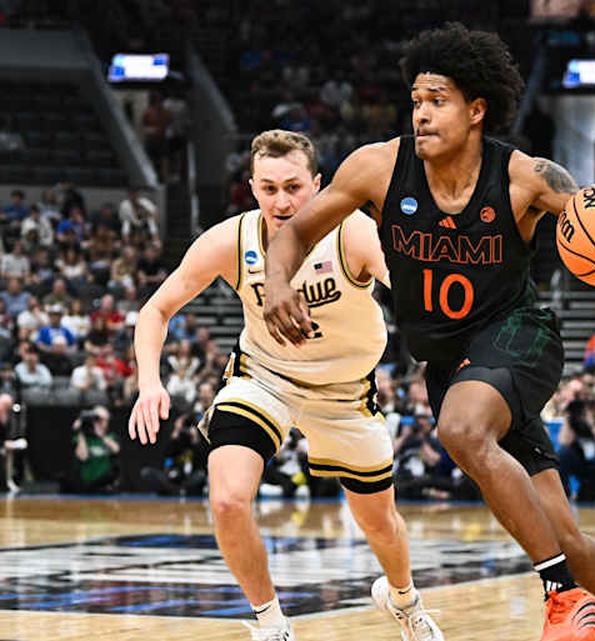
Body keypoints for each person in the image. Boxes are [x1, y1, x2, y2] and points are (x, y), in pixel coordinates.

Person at [262, 23, 595, 641]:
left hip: (518, 337)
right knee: (563, 537)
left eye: (437, 100)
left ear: (476, 109)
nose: (421, 113)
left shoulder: (525, 177)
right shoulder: (377, 168)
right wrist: (278, 282)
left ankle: (560, 600)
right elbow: (296, 232)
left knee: (461, 429)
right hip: (454, 367)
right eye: (416, 100)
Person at [127, 130, 443, 641]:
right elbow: (155, 310)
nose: (282, 200)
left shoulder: (352, 233)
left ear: (318, 185)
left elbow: (416, 293)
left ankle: (404, 600)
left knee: (380, 522)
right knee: (228, 499)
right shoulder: (231, 239)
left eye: (294, 187)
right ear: (252, 188)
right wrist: (148, 381)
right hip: (264, 377)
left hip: (344, 394)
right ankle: (271, 624)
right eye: (269, 188)